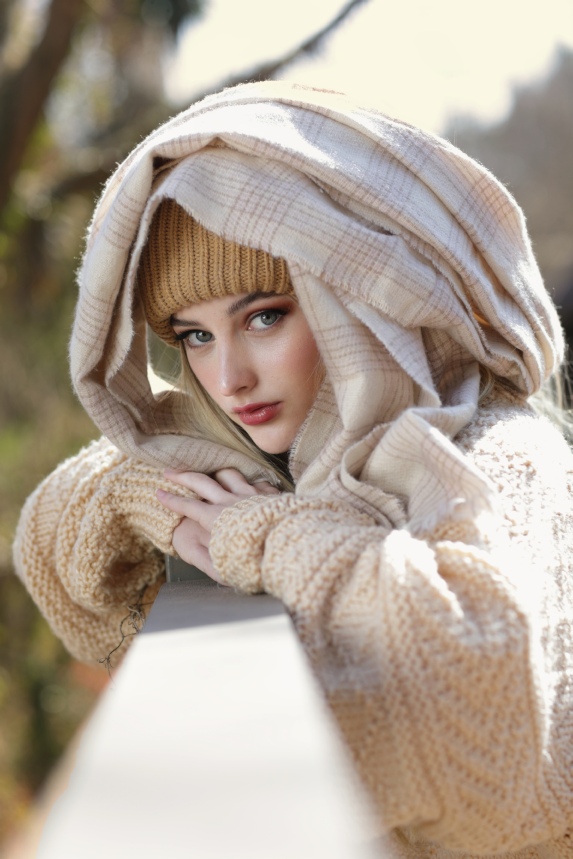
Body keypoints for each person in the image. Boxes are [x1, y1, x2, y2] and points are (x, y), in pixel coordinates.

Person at [13, 82, 573, 856]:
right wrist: (148, 494)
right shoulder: (280, 450)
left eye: (264, 316)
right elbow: (48, 545)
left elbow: (478, 680)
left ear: (359, 299)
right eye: (194, 335)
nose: (228, 377)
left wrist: (265, 536)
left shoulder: (503, 450)